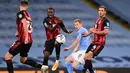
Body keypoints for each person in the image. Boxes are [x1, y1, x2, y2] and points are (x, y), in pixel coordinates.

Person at [4, 1, 42, 73]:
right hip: (29, 41)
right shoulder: (28, 14)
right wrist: (18, 32)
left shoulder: (20, 14)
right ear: (27, 7)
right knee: (23, 60)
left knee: (7, 57)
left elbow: (24, 24)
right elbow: (29, 26)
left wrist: (26, 37)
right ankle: (42, 67)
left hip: (23, 40)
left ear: (19, 6)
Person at [41, 7, 73, 72]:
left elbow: (63, 27)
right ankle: (44, 70)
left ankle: (57, 60)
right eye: (49, 12)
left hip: (57, 37)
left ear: (54, 13)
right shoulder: (45, 20)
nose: (50, 13)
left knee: (57, 42)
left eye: (51, 12)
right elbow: (50, 30)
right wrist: (57, 23)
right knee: (46, 56)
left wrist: (67, 31)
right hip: (49, 40)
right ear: (47, 13)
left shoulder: (58, 19)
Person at [82, 5, 110, 73]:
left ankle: (83, 71)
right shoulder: (97, 20)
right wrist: (87, 34)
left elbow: (106, 32)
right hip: (94, 42)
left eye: (102, 10)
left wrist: (95, 31)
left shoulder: (106, 21)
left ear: (105, 12)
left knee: (88, 56)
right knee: (85, 57)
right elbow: (94, 29)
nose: (100, 12)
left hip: (100, 43)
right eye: (99, 10)